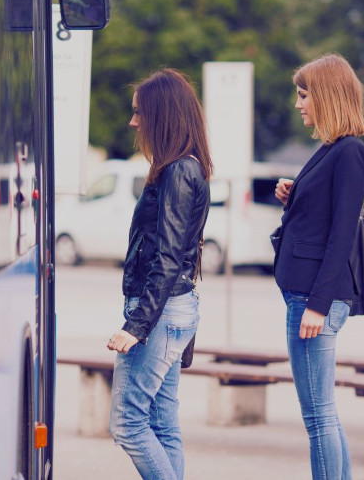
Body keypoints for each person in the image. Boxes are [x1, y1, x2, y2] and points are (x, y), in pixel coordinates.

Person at [107, 68, 213, 480]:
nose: (134, 122)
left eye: (140, 113)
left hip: (161, 313)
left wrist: (137, 325)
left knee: (128, 424)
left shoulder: (178, 172)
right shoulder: (182, 167)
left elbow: (169, 257)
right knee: (162, 424)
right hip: (172, 310)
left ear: (162, 114)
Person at [273, 53, 364, 480]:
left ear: (326, 95)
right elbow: (324, 215)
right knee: (323, 414)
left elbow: (342, 234)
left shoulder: (350, 152)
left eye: (304, 94)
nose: (299, 104)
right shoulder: (330, 149)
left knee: (318, 418)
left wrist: (317, 304)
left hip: (314, 300)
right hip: (304, 294)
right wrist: (293, 196)